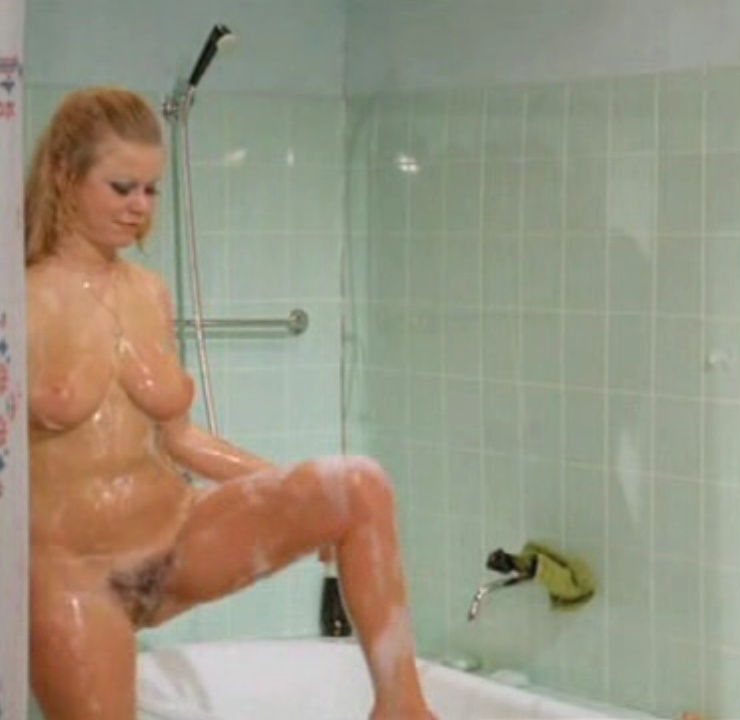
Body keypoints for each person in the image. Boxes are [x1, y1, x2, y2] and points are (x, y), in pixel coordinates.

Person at [24, 85, 437, 720]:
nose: (140, 207)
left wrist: (296, 500)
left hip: (175, 536)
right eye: (122, 187)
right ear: (63, 175)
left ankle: (402, 708)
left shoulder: (149, 292)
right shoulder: (19, 299)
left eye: (151, 189)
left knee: (357, 488)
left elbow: (181, 438)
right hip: (78, 578)